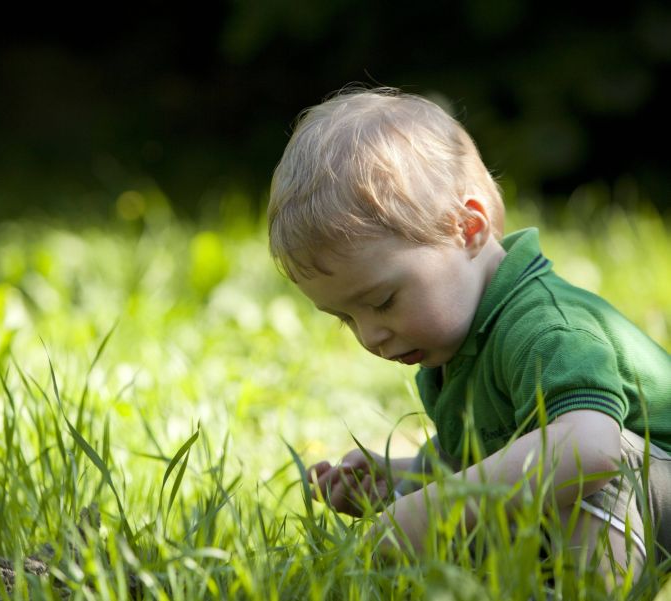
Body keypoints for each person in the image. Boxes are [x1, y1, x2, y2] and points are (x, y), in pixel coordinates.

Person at [266, 87, 671, 583]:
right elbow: (477, 461)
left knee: (572, 468)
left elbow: (592, 446)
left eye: (382, 302)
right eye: (345, 318)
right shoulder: (450, 347)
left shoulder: (543, 326)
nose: (370, 337)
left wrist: (436, 506)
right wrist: (400, 483)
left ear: (467, 227)